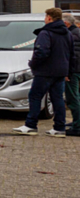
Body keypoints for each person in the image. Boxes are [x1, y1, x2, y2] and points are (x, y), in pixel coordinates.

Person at [15, 8, 74, 136]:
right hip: (60, 72)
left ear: (49, 18)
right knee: (57, 99)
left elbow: (41, 52)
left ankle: (31, 125)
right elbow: (71, 54)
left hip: (44, 71)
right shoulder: (67, 33)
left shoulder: (45, 33)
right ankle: (59, 128)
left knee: (35, 96)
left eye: (45, 16)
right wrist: (68, 72)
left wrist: (33, 64)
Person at [66, 14, 80, 137]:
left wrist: (67, 72)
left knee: (73, 98)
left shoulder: (72, 35)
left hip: (74, 71)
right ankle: (76, 122)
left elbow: (72, 56)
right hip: (77, 69)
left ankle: (77, 126)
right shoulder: (77, 32)